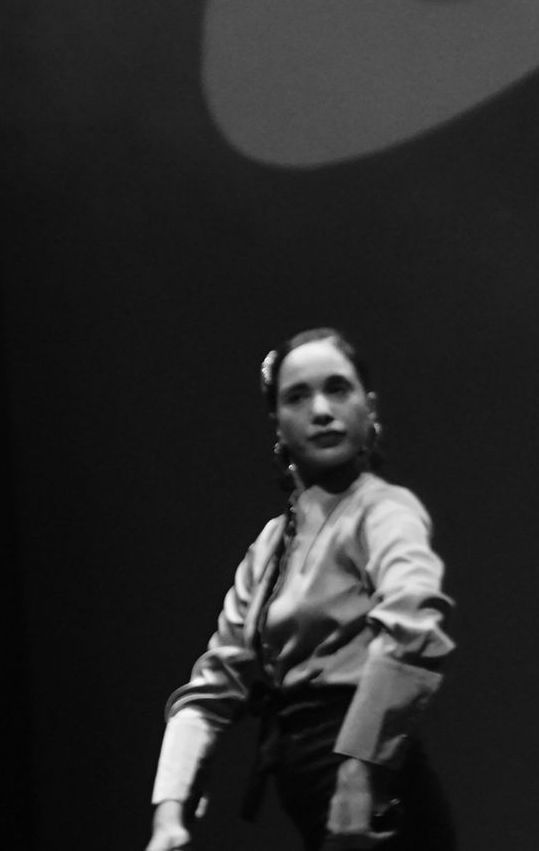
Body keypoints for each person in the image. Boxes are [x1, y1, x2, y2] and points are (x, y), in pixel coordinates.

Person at [145, 328, 456, 851]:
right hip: (319, 793)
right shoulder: (271, 546)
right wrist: (169, 813)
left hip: (375, 795)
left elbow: (413, 628)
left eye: (338, 389)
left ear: (368, 407)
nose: (321, 410)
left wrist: (358, 776)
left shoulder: (383, 510)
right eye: (298, 396)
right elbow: (214, 684)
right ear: (278, 425)